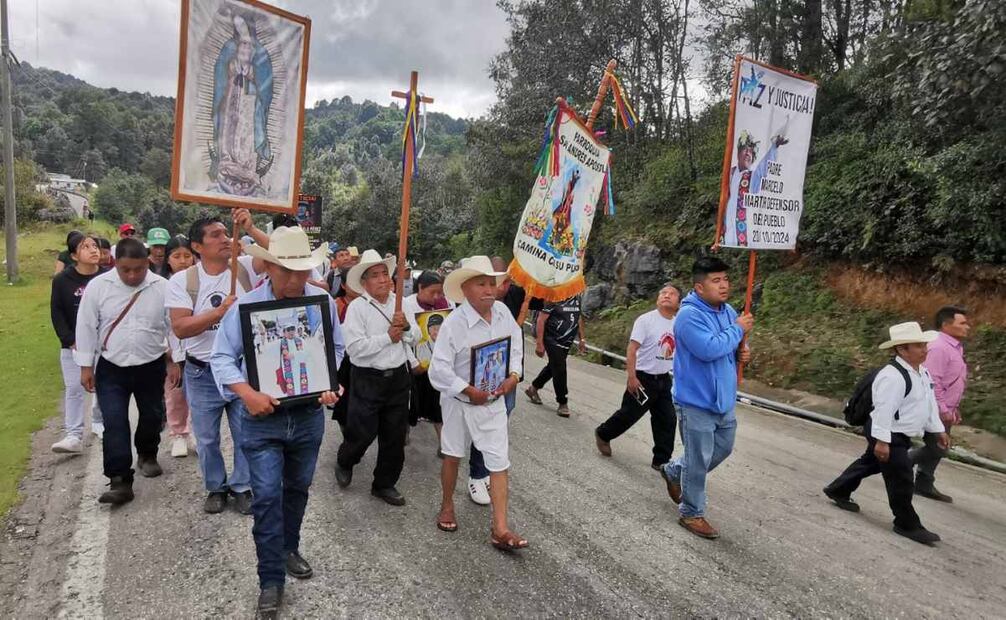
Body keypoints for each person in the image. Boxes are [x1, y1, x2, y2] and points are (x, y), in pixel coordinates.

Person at [212, 200, 344, 620]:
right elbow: (221, 358)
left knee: (298, 489)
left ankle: (288, 548)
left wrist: (328, 383)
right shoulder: (245, 306)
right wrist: (246, 394)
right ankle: (270, 579)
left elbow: (335, 348)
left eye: (302, 269)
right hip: (261, 419)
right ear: (268, 267)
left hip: (307, 418)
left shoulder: (321, 303)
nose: (295, 278)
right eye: (286, 269)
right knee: (267, 495)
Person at [167, 211, 263, 514]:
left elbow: (279, 255)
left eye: (227, 233)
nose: (226, 239)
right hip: (201, 371)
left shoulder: (245, 269)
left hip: (241, 369)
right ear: (198, 246)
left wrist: (250, 227)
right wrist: (220, 313)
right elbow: (181, 327)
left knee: (246, 433)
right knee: (207, 439)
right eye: (216, 235)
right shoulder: (183, 280)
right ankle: (215, 486)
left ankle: (242, 486)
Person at [429, 255, 528, 550]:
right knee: (452, 454)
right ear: (465, 289)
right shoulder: (454, 324)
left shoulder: (503, 314)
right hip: (459, 401)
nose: (488, 289)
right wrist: (468, 389)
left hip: (494, 401)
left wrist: (513, 375)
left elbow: (516, 348)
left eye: (492, 283)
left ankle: (500, 528)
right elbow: (439, 370)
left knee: (499, 462)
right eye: (480, 284)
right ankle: (447, 505)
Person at [824, 322, 949, 545]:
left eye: (924, 344)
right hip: (887, 431)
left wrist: (937, 429)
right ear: (902, 349)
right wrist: (882, 442)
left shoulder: (922, 372)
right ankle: (907, 523)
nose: (925, 349)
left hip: (897, 432)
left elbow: (929, 404)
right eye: (918, 345)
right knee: (901, 476)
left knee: (871, 462)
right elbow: (883, 410)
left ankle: (838, 489)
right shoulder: (892, 376)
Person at [74, 238, 178, 505]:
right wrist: (86, 366)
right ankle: (120, 479)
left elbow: (173, 327)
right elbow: (86, 326)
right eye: (125, 270)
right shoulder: (98, 287)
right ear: (115, 265)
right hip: (111, 367)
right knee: (115, 421)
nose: (132, 275)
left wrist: (174, 360)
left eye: (138, 269)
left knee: (152, 415)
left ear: (147, 263)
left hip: (150, 364)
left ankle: (147, 453)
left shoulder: (162, 287)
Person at [657, 256, 752, 539]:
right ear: (699, 288)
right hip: (695, 402)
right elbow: (708, 349)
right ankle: (691, 513)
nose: (724, 285)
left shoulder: (728, 310)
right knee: (698, 461)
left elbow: (730, 348)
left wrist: (742, 352)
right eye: (716, 280)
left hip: (724, 399)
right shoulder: (688, 316)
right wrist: (739, 330)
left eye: (725, 279)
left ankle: (674, 471)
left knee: (722, 449)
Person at [334, 249, 415, 506]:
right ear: (365, 282)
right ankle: (346, 460)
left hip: (398, 379)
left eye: (384, 273)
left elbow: (415, 339)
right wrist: (387, 337)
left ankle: (384, 483)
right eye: (375, 275)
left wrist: (407, 328)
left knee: (395, 436)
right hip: (368, 378)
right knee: (361, 432)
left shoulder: (400, 302)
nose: (383, 279)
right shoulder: (357, 309)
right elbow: (355, 349)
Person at [596, 283, 680, 470]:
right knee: (629, 414)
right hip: (643, 378)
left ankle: (661, 460)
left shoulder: (678, 324)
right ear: (658, 299)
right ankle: (603, 434)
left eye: (672, 294)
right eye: (663, 292)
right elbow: (632, 349)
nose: (667, 295)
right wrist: (632, 377)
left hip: (664, 380)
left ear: (678, 303)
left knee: (667, 420)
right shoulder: (646, 320)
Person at [467, 256, 524, 505]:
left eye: (500, 282)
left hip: (504, 381)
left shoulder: (504, 309)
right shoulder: (465, 310)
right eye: (486, 283)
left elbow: (517, 344)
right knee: (480, 426)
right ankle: (477, 475)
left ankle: (489, 470)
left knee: (500, 421)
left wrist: (514, 374)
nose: (496, 288)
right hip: (474, 382)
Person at [50, 234, 107, 453]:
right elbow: (57, 313)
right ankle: (73, 435)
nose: (93, 250)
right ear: (74, 255)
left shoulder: (107, 277)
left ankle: (100, 422)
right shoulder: (62, 280)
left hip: (103, 344)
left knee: (103, 386)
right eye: (86, 247)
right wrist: (69, 340)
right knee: (74, 388)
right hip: (73, 345)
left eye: (95, 246)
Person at [910, 306, 970, 503]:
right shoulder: (938, 347)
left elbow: (951, 380)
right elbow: (932, 380)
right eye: (962, 323)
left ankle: (924, 483)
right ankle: (898, 462)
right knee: (938, 447)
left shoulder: (954, 346)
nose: (967, 327)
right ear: (946, 325)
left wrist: (954, 407)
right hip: (934, 407)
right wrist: (943, 408)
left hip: (945, 408)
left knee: (938, 446)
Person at [403, 271, 453, 450]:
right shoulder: (407, 305)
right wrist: (414, 362)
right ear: (420, 287)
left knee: (437, 404)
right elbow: (404, 338)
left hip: (437, 365)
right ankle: (405, 431)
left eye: (440, 292)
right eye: (432, 292)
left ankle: (443, 444)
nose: (437, 296)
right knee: (410, 402)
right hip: (414, 365)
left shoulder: (445, 305)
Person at [721, 129, 788, 247]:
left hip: (744, 238)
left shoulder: (753, 177)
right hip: (726, 237)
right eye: (745, 150)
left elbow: (764, 167)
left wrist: (774, 146)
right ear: (738, 153)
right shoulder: (729, 174)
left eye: (751, 152)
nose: (748, 154)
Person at [161, 235, 196, 457]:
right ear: (168, 260)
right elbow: (158, 324)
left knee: (198, 395)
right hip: (172, 351)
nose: (183, 261)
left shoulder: (199, 282)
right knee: (175, 394)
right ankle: (178, 435)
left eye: (187, 256)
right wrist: (168, 353)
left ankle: (195, 433)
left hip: (195, 350)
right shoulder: (161, 286)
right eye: (177, 256)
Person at [525, 294, 586, 417]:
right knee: (560, 367)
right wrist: (539, 344)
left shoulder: (576, 298)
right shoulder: (554, 296)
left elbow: (578, 317)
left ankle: (533, 388)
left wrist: (582, 338)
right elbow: (541, 320)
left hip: (567, 341)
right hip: (552, 339)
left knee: (553, 367)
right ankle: (562, 402)